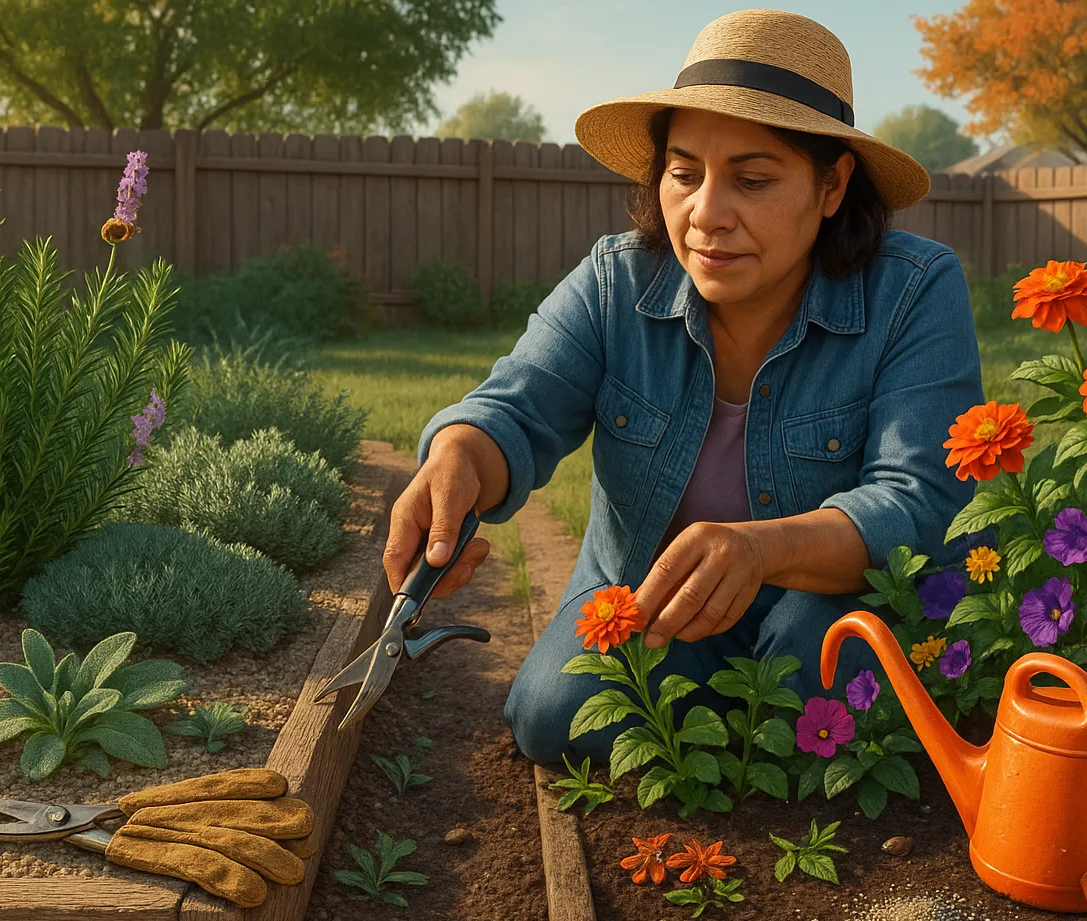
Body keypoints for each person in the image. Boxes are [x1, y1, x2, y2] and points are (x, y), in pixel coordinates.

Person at [383, 8, 984, 766]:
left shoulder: (914, 291)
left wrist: (761, 551)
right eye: (684, 172)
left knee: (812, 667)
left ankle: (747, 737)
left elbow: (921, 500)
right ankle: (733, 735)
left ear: (832, 185)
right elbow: (515, 407)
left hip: (829, 599)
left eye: (753, 179)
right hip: (655, 602)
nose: (705, 214)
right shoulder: (615, 284)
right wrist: (461, 455)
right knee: (554, 718)